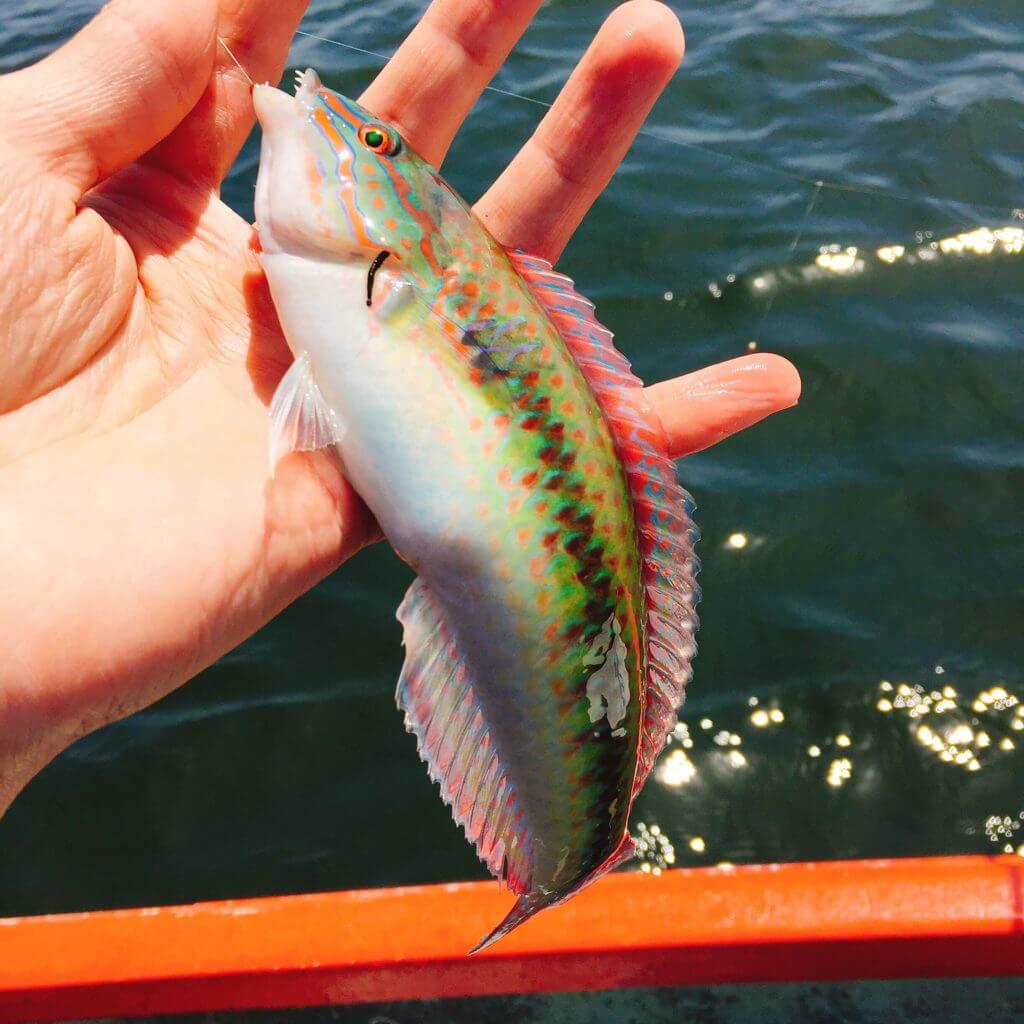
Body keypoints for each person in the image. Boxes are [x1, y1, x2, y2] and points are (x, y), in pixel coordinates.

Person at [0, 0, 800, 817]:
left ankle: (578, 839)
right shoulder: (370, 274)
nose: (354, 131)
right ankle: (574, 838)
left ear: (406, 246)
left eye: (376, 144)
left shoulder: (401, 280)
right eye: (376, 143)